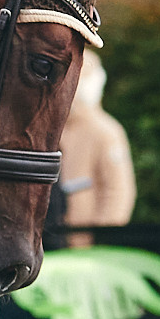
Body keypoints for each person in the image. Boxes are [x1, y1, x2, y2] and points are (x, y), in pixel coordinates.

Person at [58, 49, 136, 241]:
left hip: (85, 246)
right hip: (47, 243)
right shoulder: (49, 127)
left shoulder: (106, 131)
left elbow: (118, 192)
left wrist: (102, 240)